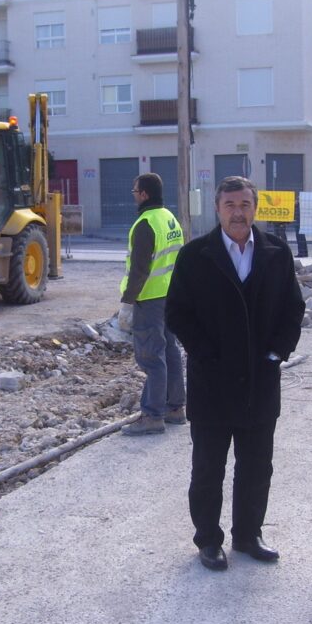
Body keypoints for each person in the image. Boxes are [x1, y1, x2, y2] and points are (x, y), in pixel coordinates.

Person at [166, 176, 305, 571]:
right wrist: (206, 355)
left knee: (257, 465)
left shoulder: (276, 253)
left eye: (244, 204)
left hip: (261, 382)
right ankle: (208, 539)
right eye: (230, 205)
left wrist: (277, 352)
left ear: (255, 207)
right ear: (218, 209)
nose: (238, 212)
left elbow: (293, 308)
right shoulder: (196, 255)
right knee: (209, 467)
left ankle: (248, 534)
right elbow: (177, 312)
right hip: (213, 384)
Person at [118, 173, 186, 436]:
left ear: (144, 194)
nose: (134, 194)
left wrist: (127, 303)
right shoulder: (169, 219)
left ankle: (153, 415)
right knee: (170, 351)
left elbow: (139, 270)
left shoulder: (145, 224)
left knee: (151, 357)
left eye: (135, 190)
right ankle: (175, 408)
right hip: (169, 295)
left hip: (149, 299)